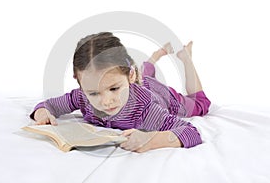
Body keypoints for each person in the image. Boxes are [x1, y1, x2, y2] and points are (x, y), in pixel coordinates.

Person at [30, 32, 211, 153]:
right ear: (79, 82)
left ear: (130, 76)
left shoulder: (147, 110)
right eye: (93, 93)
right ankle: (155, 57)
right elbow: (48, 105)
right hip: (135, 80)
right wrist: (43, 113)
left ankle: (186, 58)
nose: (106, 102)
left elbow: (191, 132)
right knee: (144, 73)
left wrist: (152, 139)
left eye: (114, 89)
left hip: (160, 94)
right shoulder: (81, 96)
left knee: (201, 104)